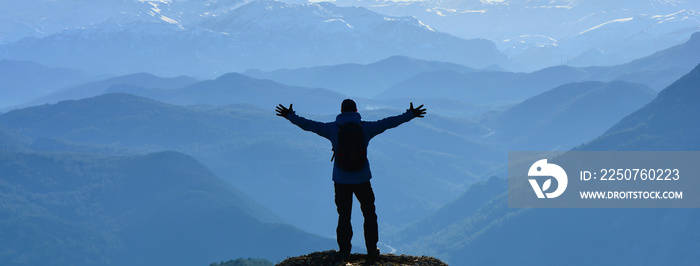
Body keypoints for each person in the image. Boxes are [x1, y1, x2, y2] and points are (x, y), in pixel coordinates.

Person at [275, 99, 426, 259]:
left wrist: (289, 115)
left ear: (341, 111)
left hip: (341, 181)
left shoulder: (332, 128)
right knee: (369, 214)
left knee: (344, 216)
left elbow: (309, 125)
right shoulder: (366, 128)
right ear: (356, 111)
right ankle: (372, 250)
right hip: (362, 179)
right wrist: (411, 114)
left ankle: (344, 251)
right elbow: (388, 123)